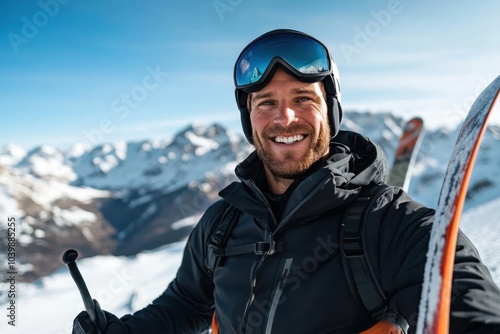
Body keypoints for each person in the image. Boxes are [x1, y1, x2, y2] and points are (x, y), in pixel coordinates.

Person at [73, 29, 500, 334]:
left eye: (303, 99)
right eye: (266, 103)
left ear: (330, 111)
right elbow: (186, 304)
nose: (284, 118)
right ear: (249, 119)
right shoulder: (221, 223)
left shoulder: (391, 225)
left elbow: (464, 299)